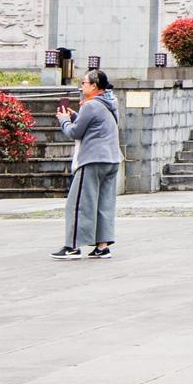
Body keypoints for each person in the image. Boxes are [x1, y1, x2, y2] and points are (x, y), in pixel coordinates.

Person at [53, 70, 120, 261]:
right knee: (104, 204)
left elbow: (75, 133)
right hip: (112, 159)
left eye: (84, 82)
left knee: (78, 204)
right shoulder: (110, 102)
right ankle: (102, 246)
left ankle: (72, 247)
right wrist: (76, 116)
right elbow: (95, 124)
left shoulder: (90, 105)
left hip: (93, 159)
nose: (82, 86)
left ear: (94, 86)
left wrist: (64, 120)